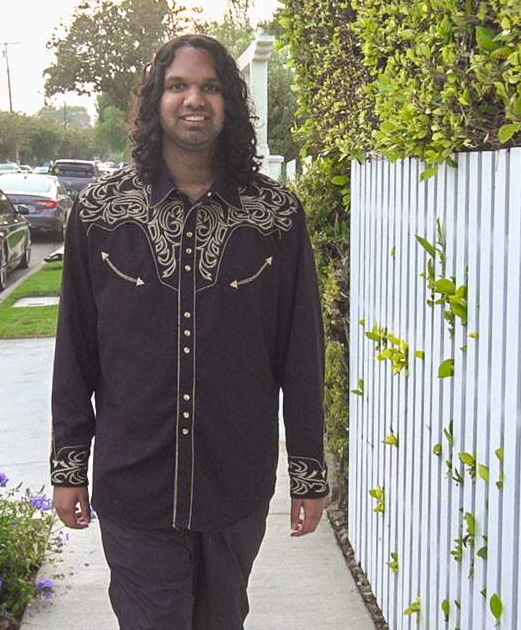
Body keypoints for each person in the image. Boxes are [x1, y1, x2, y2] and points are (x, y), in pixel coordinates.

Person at [50, 34, 328, 629]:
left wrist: (308, 471)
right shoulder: (100, 213)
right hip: (134, 483)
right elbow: (75, 351)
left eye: (209, 86)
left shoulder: (275, 215)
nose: (193, 99)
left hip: (235, 482)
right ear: (156, 100)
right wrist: (68, 466)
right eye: (178, 85)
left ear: (229, 102)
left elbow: (300, 354)